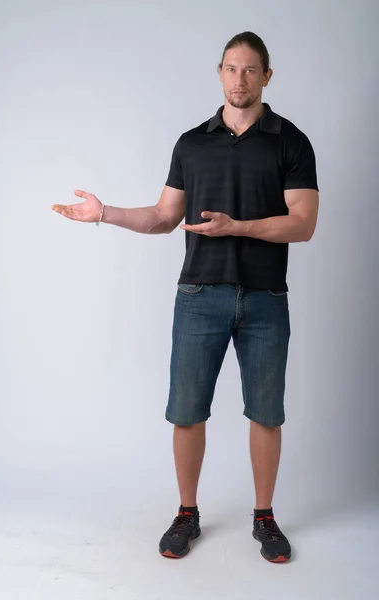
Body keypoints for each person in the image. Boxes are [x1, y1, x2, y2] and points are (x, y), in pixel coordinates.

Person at [51, 31, 319, 564]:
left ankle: (264, 517)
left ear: (267, 76)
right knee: (186, 411)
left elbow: (304, 224)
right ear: (219, 73)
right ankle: (187, 514)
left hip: (266, 297)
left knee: (267, 413)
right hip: (198, 295)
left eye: (249, 70)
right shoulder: (191, 143)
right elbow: (162, 217)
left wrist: (237, 226)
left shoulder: (291, 141)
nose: (238, 79)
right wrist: (105, 214)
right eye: (230, 68)